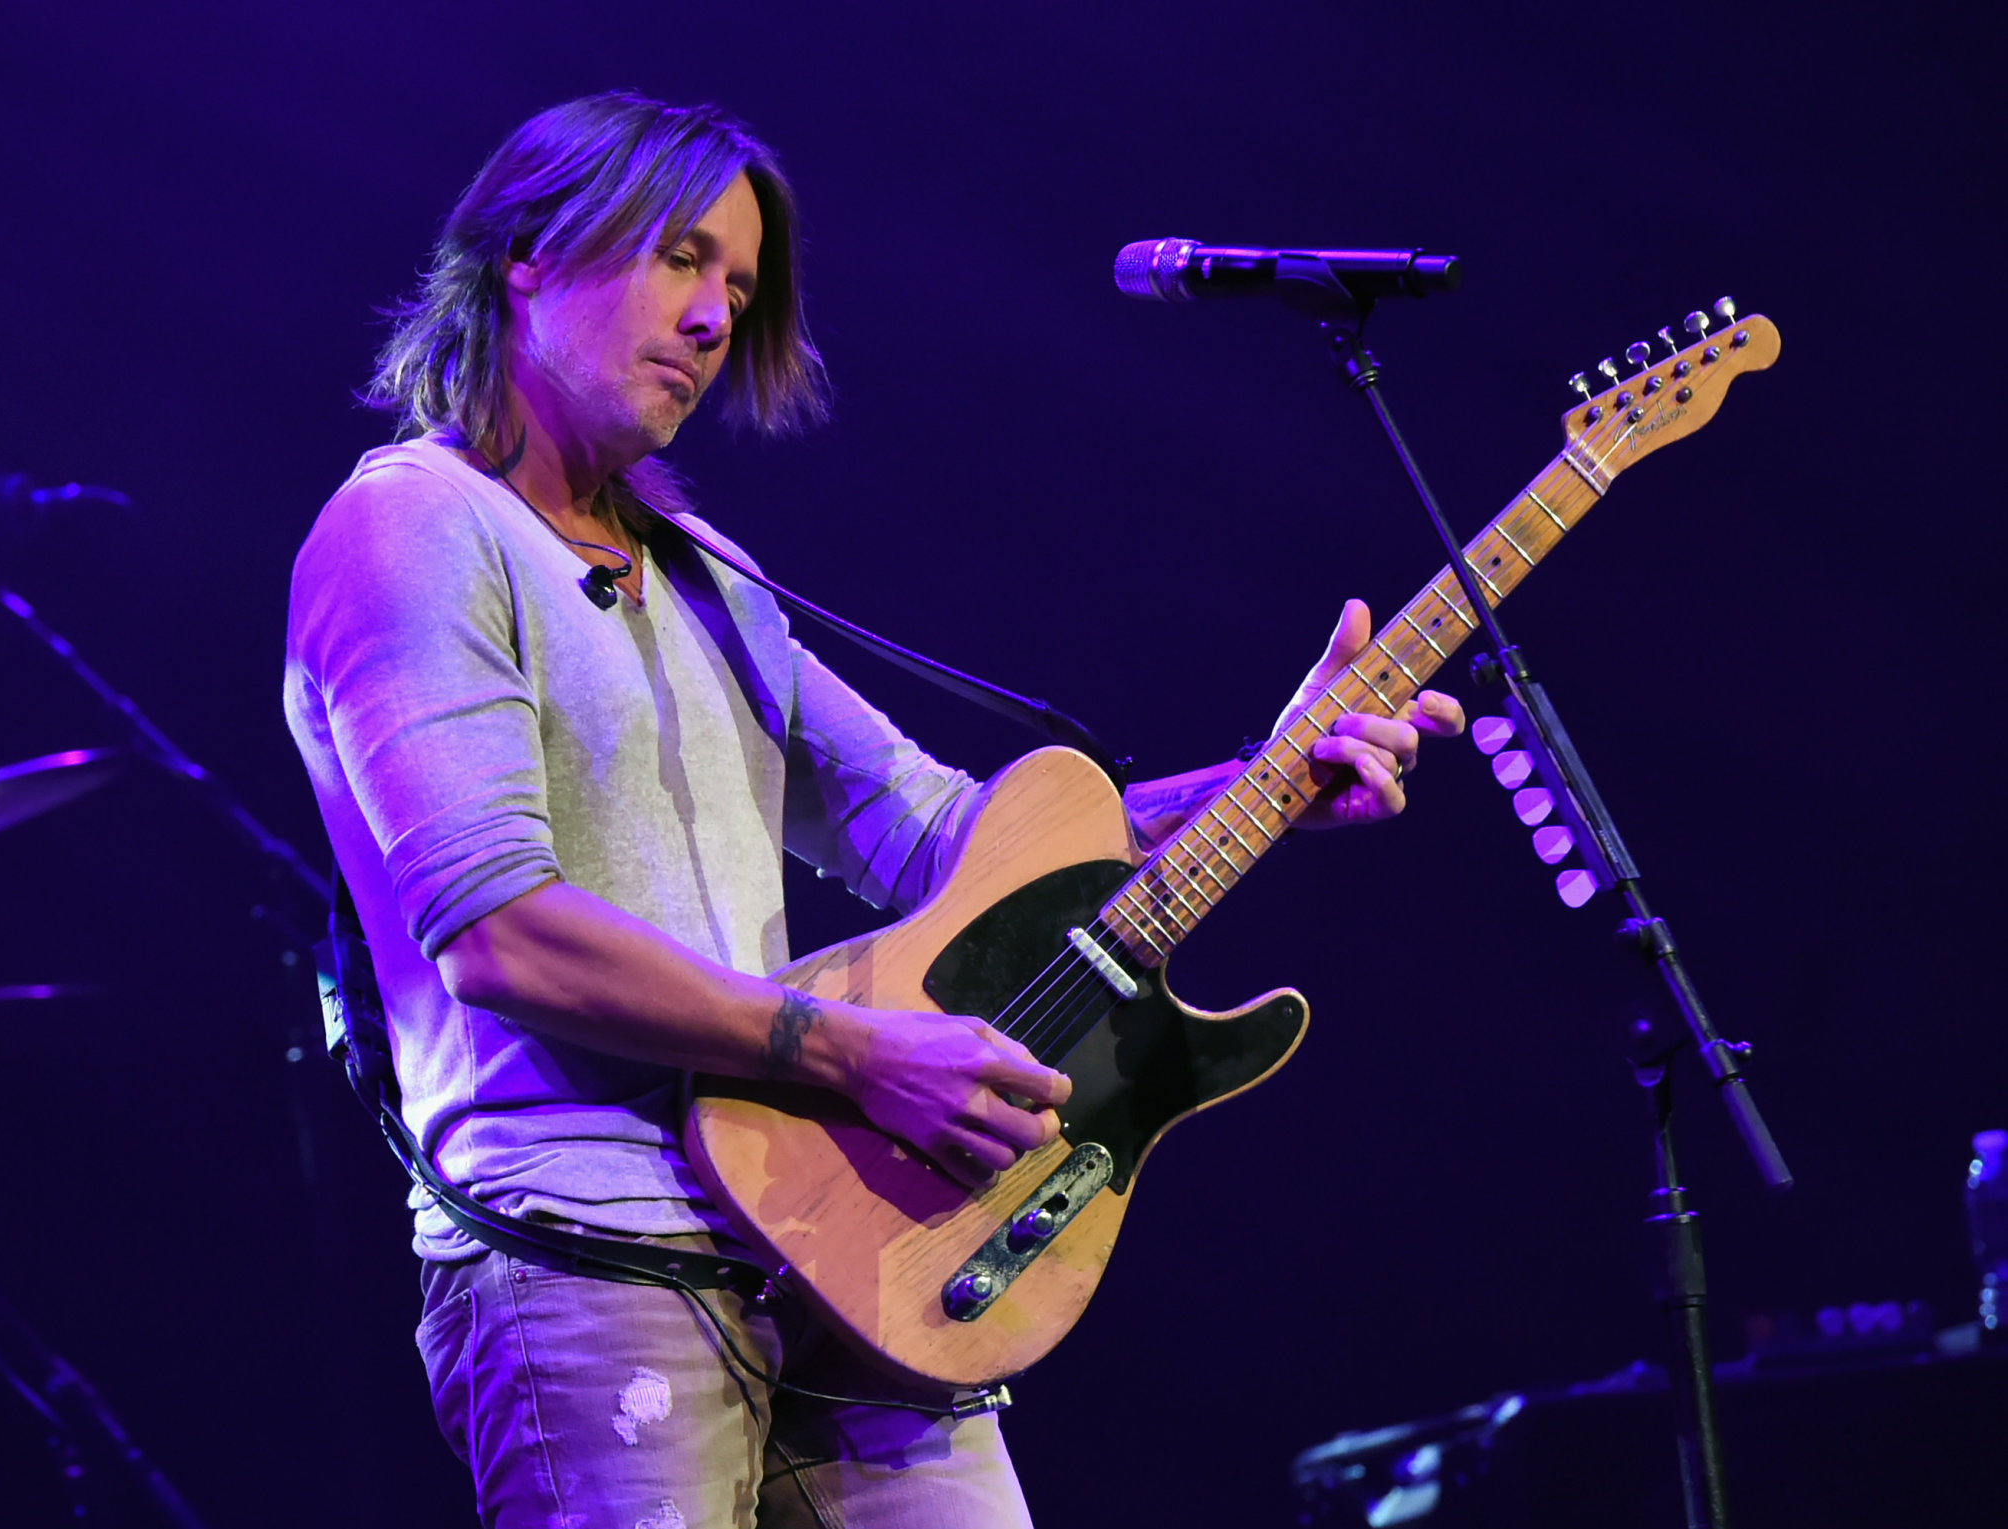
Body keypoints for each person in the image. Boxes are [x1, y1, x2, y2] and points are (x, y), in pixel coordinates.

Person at [283, 92, 1463, 1529]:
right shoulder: (411, 524)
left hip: (845, 1252)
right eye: (681, 258)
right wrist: (854, 1054)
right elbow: (500, 936)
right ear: (529, 250)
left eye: (740, 284)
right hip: (594, 1257)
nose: (718, 317)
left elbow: (944, 836)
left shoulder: (706, 567)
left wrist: (1261, 781)